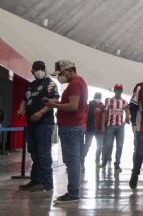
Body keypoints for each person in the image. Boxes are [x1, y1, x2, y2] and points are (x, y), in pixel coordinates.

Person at [45, 60, 88, 203]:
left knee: (72, 161)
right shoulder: (79, 82)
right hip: (73, 127)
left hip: (71, 127)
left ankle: (73, 193)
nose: (59, 77)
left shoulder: (75, 84)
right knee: (73, 161)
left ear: (69, 71)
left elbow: (73, 106)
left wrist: (54, 104)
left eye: (61, 74)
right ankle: (73, 192)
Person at [17, 61, 59, 192]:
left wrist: (40, 113)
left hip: (44, 123)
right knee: (34, 153)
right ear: (32, 71)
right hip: (31, 124)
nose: (39, 71)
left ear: (45, 69)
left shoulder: (50, 83)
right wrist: (20, 110)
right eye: (37, 69)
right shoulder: (31, 85)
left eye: (42, 68)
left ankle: (47, 183)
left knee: (43, 153)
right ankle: (35, 181)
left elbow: (55, 100)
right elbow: (25, 100)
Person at [101, 84, 130, 172]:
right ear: (114, 90)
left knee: (120, 145)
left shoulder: (124, 102)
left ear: (121, 91)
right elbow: (104, 113)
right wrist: (102, 126)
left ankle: (117, 164)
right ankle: (104, 161)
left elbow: (127, 110)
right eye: (116, 89)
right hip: (110, 126)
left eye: (119, 90)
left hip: (120, 127)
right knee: (108, 145)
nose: (118, 91)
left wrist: (127, 118)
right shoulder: (109, 101)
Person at [81, 92, 104, 169]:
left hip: (99, 129)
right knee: (87, 145)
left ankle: (97, 160)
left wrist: (103, 127)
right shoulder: (89, 105)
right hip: (90, 129)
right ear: (94, 97)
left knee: (99, 146)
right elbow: (85, 116)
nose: (98, 99)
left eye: (99, 97)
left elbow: (103, 116)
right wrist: (85, 127)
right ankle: (82, 161)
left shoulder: (102, 105)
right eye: (97, 97)